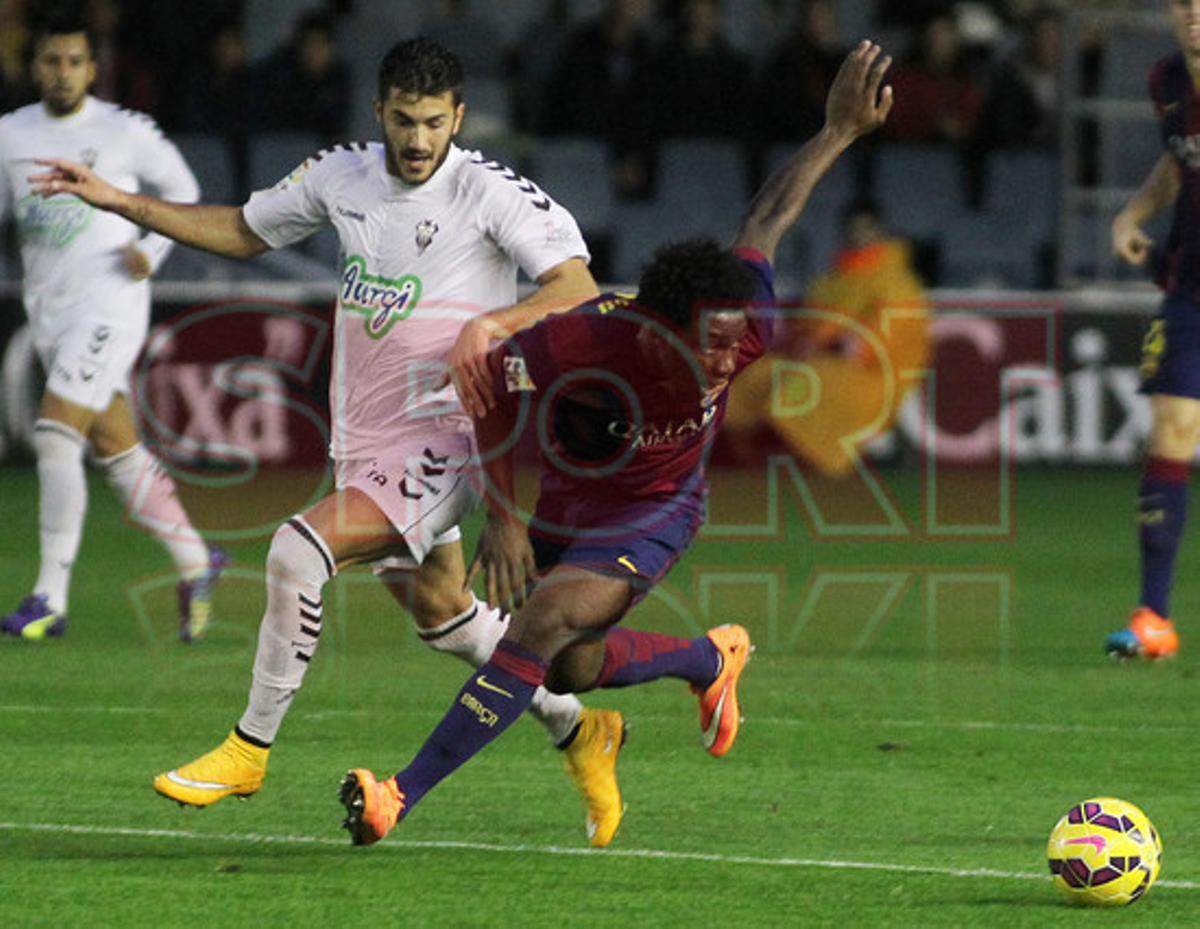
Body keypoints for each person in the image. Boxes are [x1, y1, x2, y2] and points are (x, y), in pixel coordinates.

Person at [31, 37, 626, 847]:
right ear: (379, 110)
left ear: (457, 117)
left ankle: (248, 747)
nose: (418, 141)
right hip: (366, 437)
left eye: (433, 123)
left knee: (295, 551)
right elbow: (242, 230)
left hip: (450, 434)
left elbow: (576, 287)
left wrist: (494, 323)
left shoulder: (489, 193)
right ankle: (580, 727)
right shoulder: (341, 174)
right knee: (444, 613)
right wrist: (121, 201)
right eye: (404, 121)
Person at [334, 40, 894, 846]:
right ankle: (707, 659)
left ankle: (397, 795)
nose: (726, 359)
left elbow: (767, 218)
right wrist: (504, 515)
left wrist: (838, 132)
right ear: (661, 323)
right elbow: (484, 391)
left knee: (537, 626)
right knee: (568, 665)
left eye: (734, 342)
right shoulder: (582, 342)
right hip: (567, 503)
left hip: (656, 509)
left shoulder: (741, 325)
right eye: (709, 344)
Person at [0, 18, 224, 643]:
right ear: (34, 64)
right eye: (51, 60)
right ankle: (196, 560)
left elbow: (184, 190)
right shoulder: (9, 134)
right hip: (49, 310)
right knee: (115, 445)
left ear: (92, 68)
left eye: (74, 60)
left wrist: (151, 250)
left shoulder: (123, 131)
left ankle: (49, 597)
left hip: (112, 303)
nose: (62, 71)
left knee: (53, 433)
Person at [1104, 0, 1200, 661]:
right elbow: (1177, 161)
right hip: (1189, 288)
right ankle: (1153, 616)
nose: (1195, 13)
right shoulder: (1167, 81)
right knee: (1171, 430)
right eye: (1184, 2)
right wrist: (1131, 214)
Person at [722, 199, 930, 477]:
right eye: (853, 228)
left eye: (867, 228)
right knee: (754, 373)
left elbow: (887, 338)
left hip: (871, 372)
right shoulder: (831, 279)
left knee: (804, 382)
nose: (859, 235)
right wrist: (802, 344)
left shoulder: (897, 282)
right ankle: (747, 460)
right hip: (816, 358)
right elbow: (809, 326)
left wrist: (829, 345)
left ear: (881, 232)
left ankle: (829, 461)